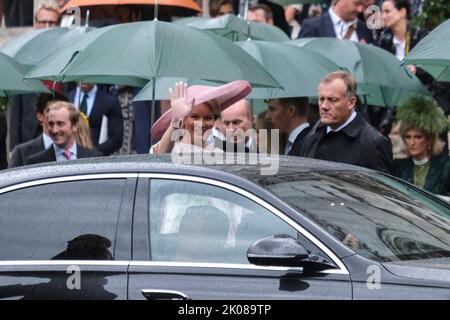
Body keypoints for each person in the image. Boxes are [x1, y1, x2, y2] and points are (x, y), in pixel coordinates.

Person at [300, 71, 393, 173]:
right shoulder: (312, 137)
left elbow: (381, 187)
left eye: (332, 100)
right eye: (322, 99)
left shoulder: (373, 143)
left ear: (351, 102)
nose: (324, 106)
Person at [151, 80, 252, 154]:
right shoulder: (170, 147)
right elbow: (160, 159)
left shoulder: (219, 151)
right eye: (195, 117)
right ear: (184, 119)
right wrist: (177, 119)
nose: (201, 124)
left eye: (208, 118)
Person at [394, 96, 450, 196]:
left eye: (418, 137)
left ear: (429, 138)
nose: (412, 142)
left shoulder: (445, 166)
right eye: (408, 137)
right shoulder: (398, 166)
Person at [27, 102, 102, 165]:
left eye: (60, 124)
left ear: (74, 126)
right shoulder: (37, 162)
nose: (55, 130)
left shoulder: (94, 158)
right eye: (51, 124)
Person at [9, 93, 68, 168]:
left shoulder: (79, 151)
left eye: (60, 111)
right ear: (40, 116)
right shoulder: (21, 153)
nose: (56, 116)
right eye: (50, 111)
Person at [70, 83, 123, 156]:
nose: (85, 78)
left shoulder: (110, 102)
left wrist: (94, 153)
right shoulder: (64, 99)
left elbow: (117, 138)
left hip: (98, 159)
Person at [299, 0, 373, 43]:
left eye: (363, 6)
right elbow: (303, 57)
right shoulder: (312, 26)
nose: (360, 9)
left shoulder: (365, 29)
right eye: (356, 3)